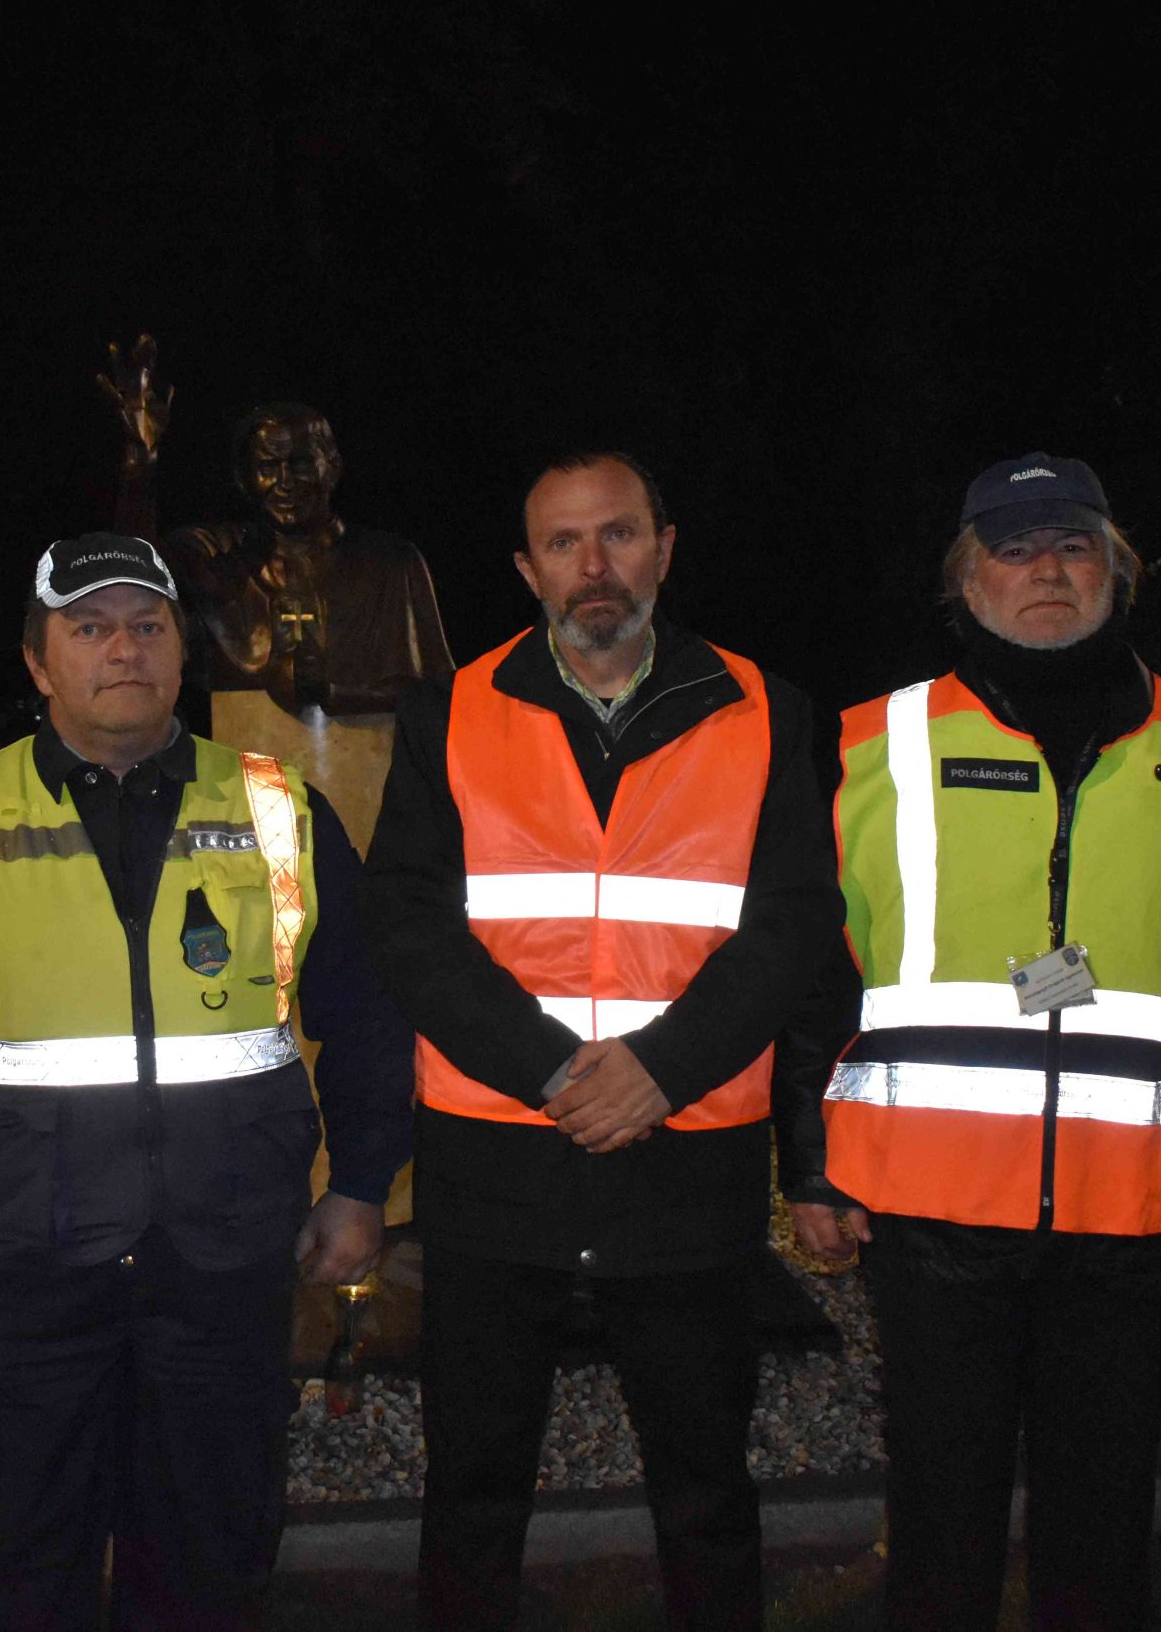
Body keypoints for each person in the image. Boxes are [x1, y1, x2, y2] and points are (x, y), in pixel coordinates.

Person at [782, 453, 1161, 1630]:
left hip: (1132, 1209)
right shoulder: (875, 747)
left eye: (1072, 546)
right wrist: (809, 1167)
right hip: (931, 1214)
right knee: (941, 1514)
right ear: (965, 581)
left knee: (1102, 1520)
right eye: (1015, 548)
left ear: (1115, 573)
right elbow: (818, 982)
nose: (1046, 570)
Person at [0, 532, 413, 1630]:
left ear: (180, 653)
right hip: (18, 1276)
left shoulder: (278, 809)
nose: (123, 649)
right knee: (11, 1574)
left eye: (147, 626)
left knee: (209, 1570)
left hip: (222, 1267)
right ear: (37, 660)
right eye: (90, 627)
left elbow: (368, 1012)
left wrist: (359, 1185)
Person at [363, 452, 840, 1631]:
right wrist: (551, 1069)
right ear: (527, 569)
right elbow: (409, 925)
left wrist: (659, 1070)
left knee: (704, 1484)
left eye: (618, 535)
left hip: (686, 1161)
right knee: (472, 1485)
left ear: (664, 550)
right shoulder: (449, 711)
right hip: (495, 1162)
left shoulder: (767, 711)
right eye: (564, 543)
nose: (594, 566)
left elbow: (792, 926)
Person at [166, 403, 454, 717]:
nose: (286, 481)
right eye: (268, 467)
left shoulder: (391, 563)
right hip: (241, 747)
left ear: (333, 467)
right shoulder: (216, 556)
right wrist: (141, 466)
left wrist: (334, 695)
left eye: (301, 463)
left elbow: (440, 693)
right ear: (243, 479)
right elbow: (143, 575)